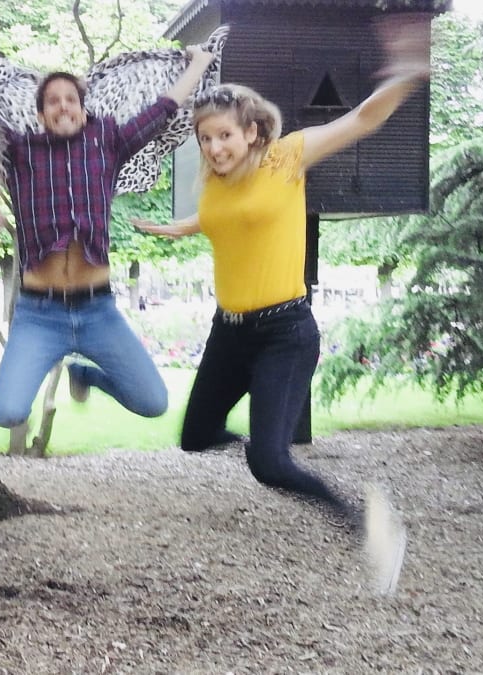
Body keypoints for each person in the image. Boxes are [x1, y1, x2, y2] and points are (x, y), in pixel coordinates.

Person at [134, 16, 427, 593]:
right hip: (229, 333)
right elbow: (229, 219)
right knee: (195, 436)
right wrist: (185, 228)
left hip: (282, 333)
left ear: (252, 132)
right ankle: (270, 440)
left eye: (224, 135)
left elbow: (364, 118)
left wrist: (406, 72)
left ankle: (369, 524)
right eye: (206, 138)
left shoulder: (285, 157)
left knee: (268, 466)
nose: (215, 147)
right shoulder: (214, 184)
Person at [0, 48, 217, 429]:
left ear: (83, 109)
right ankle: (59, 368)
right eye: (53, 101)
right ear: (41, 115)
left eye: (71, 100)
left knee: (152, 401)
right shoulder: (21, 151)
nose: (63, 106)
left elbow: (164, 108)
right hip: (39, 315)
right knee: (7, 413)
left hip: (98, 312)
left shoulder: (108, 143)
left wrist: (199, 64)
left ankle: (84, 374)